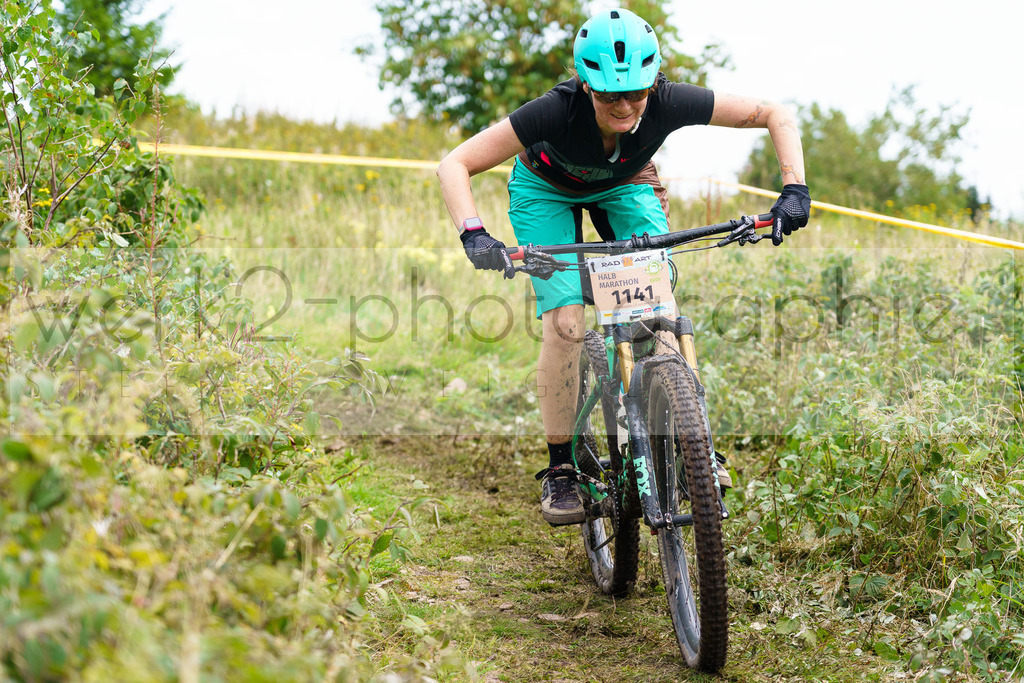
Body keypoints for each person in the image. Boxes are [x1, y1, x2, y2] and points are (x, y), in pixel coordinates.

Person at [437, 8, 810, 526]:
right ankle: (561, 467)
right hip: (545, 190)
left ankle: (686, 440)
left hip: (627, 184)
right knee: (566, 324)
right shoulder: (552, 111)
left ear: (652, 81)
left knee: (656, 309)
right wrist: (474, 234)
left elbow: (774, 112)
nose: (625, 105)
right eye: (609, 95)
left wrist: (794, 189)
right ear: (586, 85)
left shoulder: (668, 100)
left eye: (635, 92)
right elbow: (454, 163)